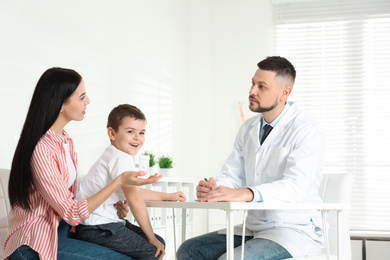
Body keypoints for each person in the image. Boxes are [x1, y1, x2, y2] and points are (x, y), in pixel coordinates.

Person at [4, 67, 162, 260]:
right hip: (35, 242)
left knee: (149, 248)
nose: (88, 101)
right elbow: (71, 212)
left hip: (64, 232)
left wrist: (111, 204)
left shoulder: (66, 142)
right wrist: (118, 181)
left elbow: (71, 202)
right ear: (61, 103)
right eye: (82, 97)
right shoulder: (42, 149)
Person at [177, 56, 326, 260]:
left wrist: (246, 193)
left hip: (292, 230)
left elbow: (296, 187)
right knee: (190, 251)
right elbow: (232, 175)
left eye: (261, 86)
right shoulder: (248, 128)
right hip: (253, 228)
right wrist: (215, 189)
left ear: (285, 93)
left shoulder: (306, 130)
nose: (251, 91)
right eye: (252, 83)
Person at [74, 104, 186, 260]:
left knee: (159, 243)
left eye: (141, 132)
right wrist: (151, 237)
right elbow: (134, 199)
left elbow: (135, 192)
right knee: (153, 250)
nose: (137, 138)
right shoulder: (121, 158)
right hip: (98, 227)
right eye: (130, 132)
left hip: (99, 225)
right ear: (112, 133)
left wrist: (168, 196)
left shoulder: (114, 154)